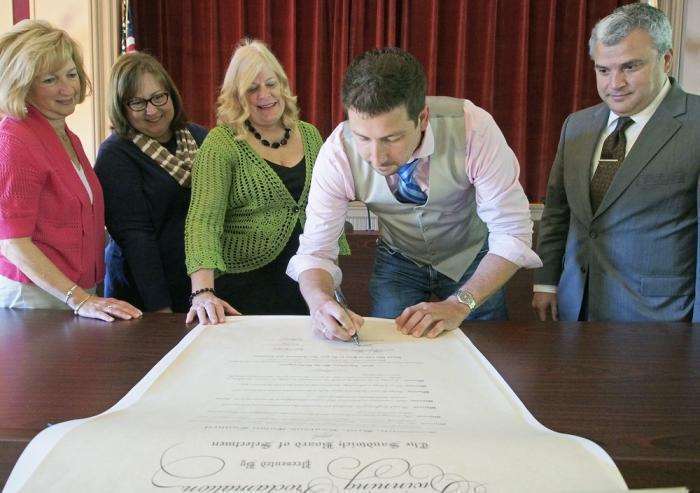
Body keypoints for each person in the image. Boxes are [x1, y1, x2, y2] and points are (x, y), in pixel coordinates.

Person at [287, 47, 541, 340]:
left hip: (472, 257)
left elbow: (512, 233)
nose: (376, 156)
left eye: (391, 138)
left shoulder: (474, 129)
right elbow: (315, 252)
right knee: (393, 350)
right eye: (362, 138)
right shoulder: (337, 152)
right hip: (398, 258)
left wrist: (461, 303)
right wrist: (320, 302)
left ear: (422, 118)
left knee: (484, 348)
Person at [532, 3, 700, 322]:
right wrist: (546, 283)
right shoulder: (577, 125)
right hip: (573, 310)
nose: (615, 84)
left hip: (660, 320)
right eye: (603, 70)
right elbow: (558, 211)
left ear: (665, 61)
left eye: (630, 67)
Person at [184, 39, 348, 324]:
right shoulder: (221, 143)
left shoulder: (310, 135)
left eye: (270, 84)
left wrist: (329, 279)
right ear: (237, 96)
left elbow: (326, 209)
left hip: (304, 283)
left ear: (282, 85)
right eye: (252, 88)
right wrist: (203, 292)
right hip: (244, 286)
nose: (265, 95)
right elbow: (202, 222)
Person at [0, 20, 141, 321]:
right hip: (35, 299)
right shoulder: (15, 139)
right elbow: (13, 243)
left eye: (71, 74)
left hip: (76, 293)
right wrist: (78, 299)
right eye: (50, 80)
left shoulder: (64, 134)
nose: (67, 89)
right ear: (22, 84)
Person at [95, 53, 207, 313]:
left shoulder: (199, 137)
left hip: (198, 284)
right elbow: (136, 239)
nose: (152, 110)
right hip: (144, 294)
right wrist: (160, 310)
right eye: (137, 102)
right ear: (121, 107)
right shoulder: (116, 153)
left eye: (158, 97)